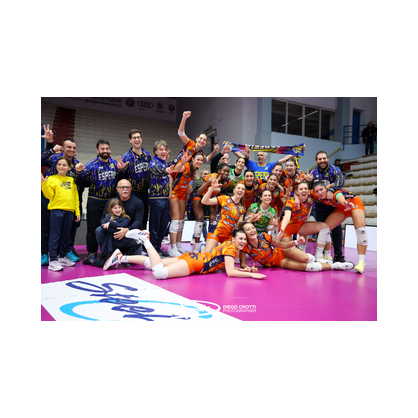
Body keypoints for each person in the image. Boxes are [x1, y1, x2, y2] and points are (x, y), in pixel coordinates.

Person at [104, 229, 267, 280]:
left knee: (154, 262)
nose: (243, 241)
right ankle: (145, 240)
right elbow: (230, 272)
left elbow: (227, 266)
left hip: (193, 257)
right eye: (240, 238)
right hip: (195, 264)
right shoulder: (231, 250)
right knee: (159, 273)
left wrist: (243, 270)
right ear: (233, 239)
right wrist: (251, 275)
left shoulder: (228, 245)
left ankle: (121, 257)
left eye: (244, 239)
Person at [75, 140, 129, 263]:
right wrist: (79, 173)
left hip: (111, 201)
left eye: (107, 148)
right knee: (92, 228)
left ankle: (110, 252)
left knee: (112, 226)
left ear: (109, 150)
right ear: (97, 150)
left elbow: (121, 181)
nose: (105, 151)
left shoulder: (115, 164)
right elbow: (81, 182)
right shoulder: (91, 165)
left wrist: (121, 171)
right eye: (102, 149)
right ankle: (92, 253)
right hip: (95, 200)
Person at [239, 222, 354, 273]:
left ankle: (319, 260)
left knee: (306, 258)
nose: (252, 230)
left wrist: (296, 242)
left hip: (282, 251)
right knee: (308, 267)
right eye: (248, 230)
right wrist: (248, 269)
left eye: (253, 227)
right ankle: (335, 266)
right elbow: (243, 263)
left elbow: (283, 245)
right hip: (277, 262)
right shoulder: (245, 247)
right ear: (244, 234)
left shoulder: (264, 236)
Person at [311, 182, 369, 273]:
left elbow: (340, 197)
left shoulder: (333, 193)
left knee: (361, 231)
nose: (320, 192)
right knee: (324, 229)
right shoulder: (314, 193)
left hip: (353, 203)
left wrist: (345, 203)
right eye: (317, 191)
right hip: (341, 208)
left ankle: (361, 262)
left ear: (326, 189)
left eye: (321, 190)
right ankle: (318, 257)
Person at [41, 135, 81, 265]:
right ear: (62, 148)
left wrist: (77, 210)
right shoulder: (54, 158)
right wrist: (51, 147)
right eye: (69, 147)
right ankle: (45, 254)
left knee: (67, 231)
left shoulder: (77, 164)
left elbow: (78, 186)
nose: (71, 149)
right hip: (50, 198)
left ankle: (65, 253)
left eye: (74, 148)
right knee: (47, 227)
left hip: (68, 203)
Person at [306, 151, 345, 262]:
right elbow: (309, 189)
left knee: (336, 229)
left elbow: (341, 180)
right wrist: (308, 182)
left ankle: (338, 255)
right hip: (320, 205)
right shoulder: (313, 172)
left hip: (333, 205)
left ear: (327, 159)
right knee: (321, 229)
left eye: (324, 158)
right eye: (320, 159)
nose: (322, 161)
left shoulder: (334, 169)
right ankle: (322, 254)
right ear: (316, 161)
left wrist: (331, 190)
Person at [277, 181, 331, 259]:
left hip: (300, 226)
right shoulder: (290, 202)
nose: (304, 190)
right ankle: (300, 252)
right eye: (301, 189)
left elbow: (322, 189)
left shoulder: (311, 196)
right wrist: (282, 229)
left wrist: (330, 187)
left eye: (305, 188)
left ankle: (320, 257)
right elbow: (287, 216)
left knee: (325, 226)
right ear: (297, 192)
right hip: (286, 229)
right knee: (289, 254)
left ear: (308, 191)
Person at [169, 152, 205, 257]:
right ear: (192, 159)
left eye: (201, 160)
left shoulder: (194, 170)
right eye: (198, 159)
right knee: (175, 220)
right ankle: (173, 248)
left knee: (181, 221)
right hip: (174, 192)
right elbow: (175, 170)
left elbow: (188, 186)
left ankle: (178, 245)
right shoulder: (186, 166)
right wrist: (182, 163)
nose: (200, 162)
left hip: (183, 194)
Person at [201, 179, 246, 252]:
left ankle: (207, 248)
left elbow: (238, 226)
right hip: (216, 232)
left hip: (228, 236)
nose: (240, 190)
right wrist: (212, 188)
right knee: (207, 256)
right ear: (234, 190)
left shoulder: (242, 208)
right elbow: (204, 201)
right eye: (238, 188)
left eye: (242, 189)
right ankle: (203, 247)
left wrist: (250, 220)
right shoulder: (224, 198)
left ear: (244, 192)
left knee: (233, 256)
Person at [122, 129, 152, 232]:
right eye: (134, 138)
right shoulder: (126, 157)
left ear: (141, 139)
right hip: (132, 192)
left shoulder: (147, 155)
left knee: (144, 219)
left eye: (138, 137)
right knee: (132, 219)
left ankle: (142, 240)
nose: (137, 139)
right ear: (130, 140)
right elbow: (122, 177)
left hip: (145, 192)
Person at [148, 140, 172, 258]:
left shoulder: (165, 163)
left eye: (165, 149)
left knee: (163, 225)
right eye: (161, 149)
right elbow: (161, 171)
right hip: (156, 198)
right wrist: (167, 169)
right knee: (155, 225)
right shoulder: (152, 163)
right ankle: (153, 250)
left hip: (165, 198)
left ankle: (158, 248)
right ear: (156, 151)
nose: (163, 151)